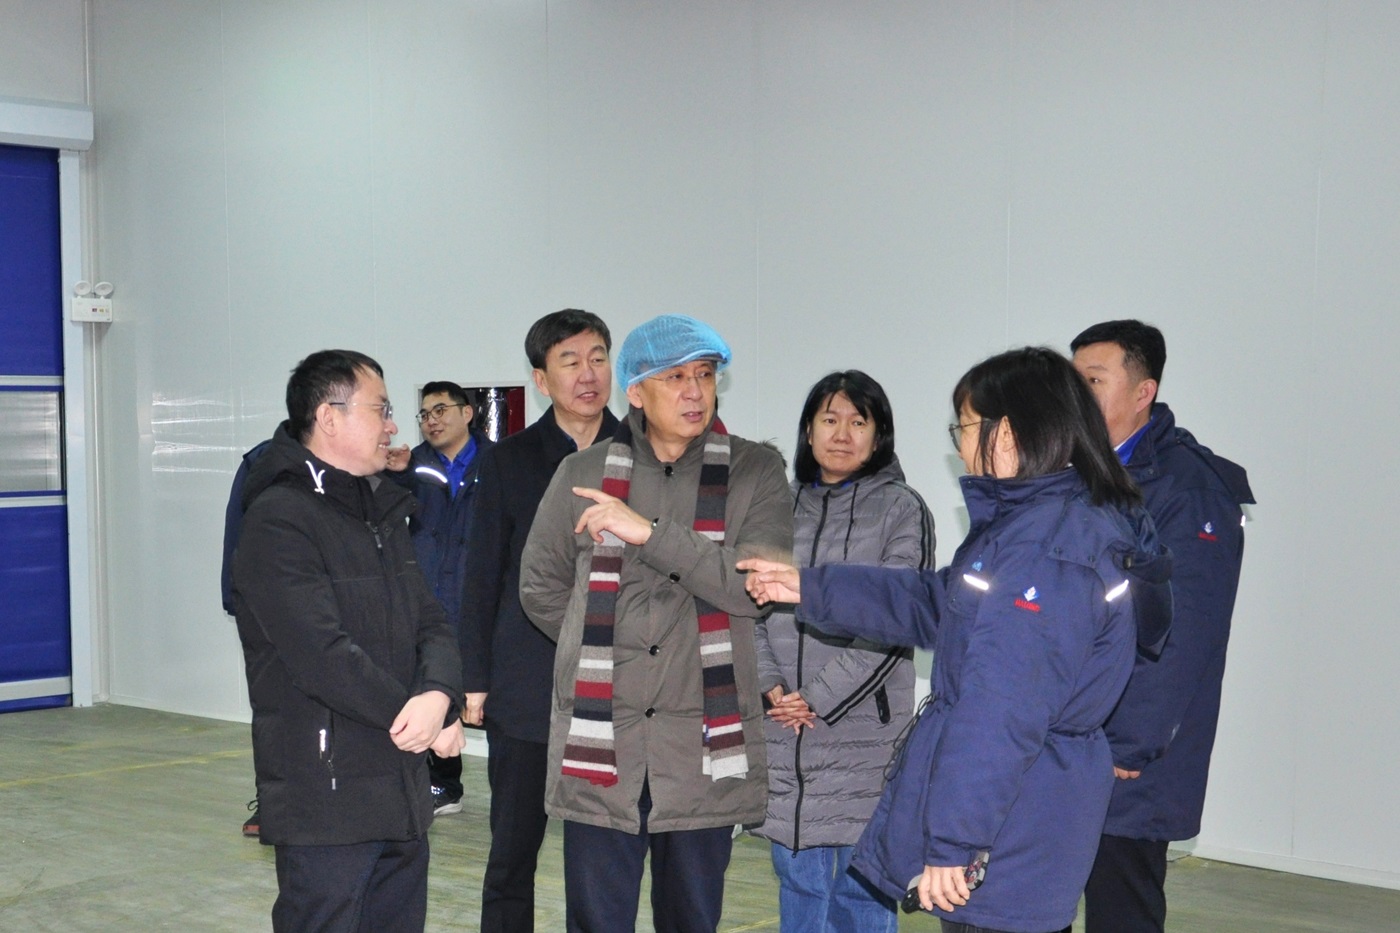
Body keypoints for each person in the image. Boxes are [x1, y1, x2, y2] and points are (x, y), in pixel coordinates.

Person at [742, 347, 1172, 933]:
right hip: (1023, 806)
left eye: (965, 428)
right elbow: (936, 603)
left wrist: (955, 842)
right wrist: (810, 588)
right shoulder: (1037, 525)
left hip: (1011, 819)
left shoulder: (1045, 552)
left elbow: (1002, 711)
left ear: (1007, 433)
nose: (961, 447)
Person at [519, 314, 793, 933]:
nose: (695, 391)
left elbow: (756, 589)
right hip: (603, 741)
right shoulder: (582, 474)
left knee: (691, 919)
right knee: (596, 921)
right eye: (675, 378)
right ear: (636, 393)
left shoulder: (755, 471)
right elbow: (540, 587)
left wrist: (648, 533)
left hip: (702, 745)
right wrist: (605, 646)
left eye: (706, 375)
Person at [231, 349, 464, 932]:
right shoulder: (278, 518)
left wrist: (440, 695)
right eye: (381, 409)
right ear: (329, 418)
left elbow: (431, 620)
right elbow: (320, 656)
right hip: (326, 795)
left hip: (400, 787)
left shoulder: (381, 511)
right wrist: (417, 714)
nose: (394, 425)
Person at [1069, 320, 1254, 933]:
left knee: (1122, 907)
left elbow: (1186, 631)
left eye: (1094, 381)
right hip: (1073, 739)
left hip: (1127, 756)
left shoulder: (1188, 488)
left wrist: (1131, 740)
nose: (1076, 395)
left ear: (1143, 391)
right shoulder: (1076, 476)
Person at [751, 370, 933, 932]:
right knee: (799, 883)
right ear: (808, 431)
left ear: (879, 436)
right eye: (830, 420)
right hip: (785, 729)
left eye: (859, 422)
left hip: (861, 737)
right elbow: (744, 605)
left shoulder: (902, 509)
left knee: (862, 891)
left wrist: (816, 698)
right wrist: (771, 686)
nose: (842, 434)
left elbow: (897, 618)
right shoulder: (775, 507)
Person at [457, 309, 619, 933]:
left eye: (598, 358)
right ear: (541, 379)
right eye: (570, 362)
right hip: (527, 687)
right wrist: (475, 678)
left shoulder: (641, 453)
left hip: (618, 687)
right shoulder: (509, 461)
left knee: (602, 859)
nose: (588, 374)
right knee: (513, 852)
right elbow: (482, 574)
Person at [386, 380, 494, 815]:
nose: (431, 421)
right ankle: (442, 785)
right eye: (424, 414)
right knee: (430, 687)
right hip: (426, 598)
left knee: (487, 698)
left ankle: (514, 790)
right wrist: (394, 473)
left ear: (467, 413)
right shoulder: (410, 466)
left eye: (440, 410)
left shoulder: (496, 462)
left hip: (479, 597)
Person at [221, 436, 271, 837]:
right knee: (274, 709)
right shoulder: (262, 462)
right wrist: (235, 597)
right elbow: (236, 533)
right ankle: (272, 803)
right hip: (268, 609)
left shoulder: (363, 460)